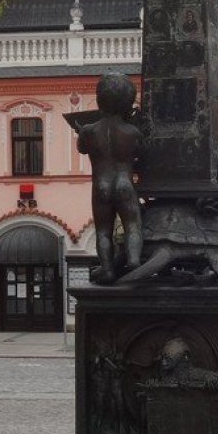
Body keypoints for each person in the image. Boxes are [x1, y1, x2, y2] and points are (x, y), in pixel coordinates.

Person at [76, 72, 143, 284]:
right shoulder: (132, 131)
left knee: (103, 230)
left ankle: (107, 269)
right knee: (133, 225)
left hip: (101, 184)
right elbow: (141, 154)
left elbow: (81, 148)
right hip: (125, 183)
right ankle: (134, 261)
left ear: (99, 99)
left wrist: (81, 132)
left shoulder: (89, 131)